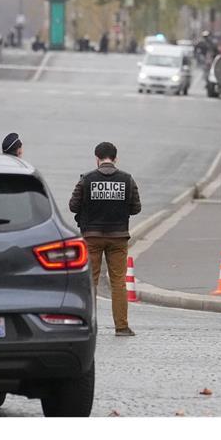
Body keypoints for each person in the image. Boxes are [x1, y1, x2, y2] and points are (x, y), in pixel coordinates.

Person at [68, 142, 142, 337]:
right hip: (118, 237)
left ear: (97, 158)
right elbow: (136, 208)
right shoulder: (127, 179)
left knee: (90, 282)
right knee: (118, 281)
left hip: (91, 237)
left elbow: (73, 206)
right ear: (115, 158)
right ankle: (122, 327)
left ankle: (88, 325)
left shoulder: (87, 180)